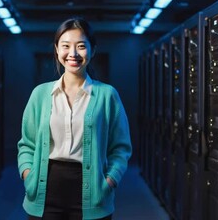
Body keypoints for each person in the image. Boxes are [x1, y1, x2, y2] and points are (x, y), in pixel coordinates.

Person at [17, 17, 132, 220]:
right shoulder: (40, 94)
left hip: (93, 192)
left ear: (92, 50)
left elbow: (121, 147)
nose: (73, 53)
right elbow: (27, 144)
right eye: (66, 46)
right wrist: (28, 175)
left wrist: (110, 180)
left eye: (81, 46)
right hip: (45, 191)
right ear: (57, 50)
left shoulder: (107, 95)